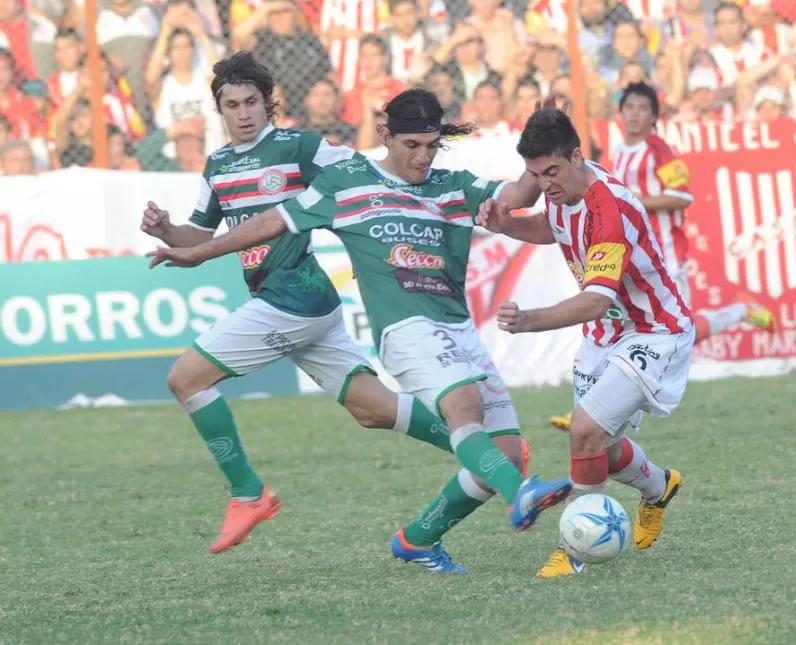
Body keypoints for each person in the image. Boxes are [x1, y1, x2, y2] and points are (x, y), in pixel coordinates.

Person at [146, 87, 573, 573]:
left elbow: (519, 195)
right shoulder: (347, 182)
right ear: (385, 135)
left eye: (432, 146)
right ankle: (519, 493)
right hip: (405, 328)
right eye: (412, 145)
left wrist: (542, 142)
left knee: (505, 451)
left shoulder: (451, 185)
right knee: (464, 406)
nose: (423, 157)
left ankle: (419, 537)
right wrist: (197, 251)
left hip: (458, 329)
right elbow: (272, 221)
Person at [140, 52, 461, 556]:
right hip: (302, 302)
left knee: (185, 378)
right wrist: (166, 230)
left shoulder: (300, 147)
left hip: (294, 296)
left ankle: (249, 494)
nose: (244, 112)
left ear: (268, 105)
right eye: (232, 104)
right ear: (219, 110)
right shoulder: (219, 165)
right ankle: (490, 451)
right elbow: (199, 237)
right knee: (373, 410)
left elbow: (367, 176)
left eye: (251, 102)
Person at [476, 106, 690, 578]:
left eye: (551, 171)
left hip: (653, 330)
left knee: (583, 431)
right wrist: (507, 224)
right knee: (598, 450)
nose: (545, 183)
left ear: (577, 157)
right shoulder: (560, 188)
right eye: (536, 175)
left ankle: (573, 551)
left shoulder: (607, 208)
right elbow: (552, 227)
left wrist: (529, 320)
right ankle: (659, 487)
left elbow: (595, 301)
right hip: (606, 334)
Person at [549, 83, 776, 431]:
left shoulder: (659, 151)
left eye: (643, 108)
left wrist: (637, 200)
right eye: (630, 107)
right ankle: (597, 407)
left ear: (654, 117)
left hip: (664, 258)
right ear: (620, 113)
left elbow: (682, 196)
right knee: (625, 328)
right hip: (633, 258)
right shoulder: (619, 149)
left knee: (674, 332)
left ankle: (742, 310)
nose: (636, 113)